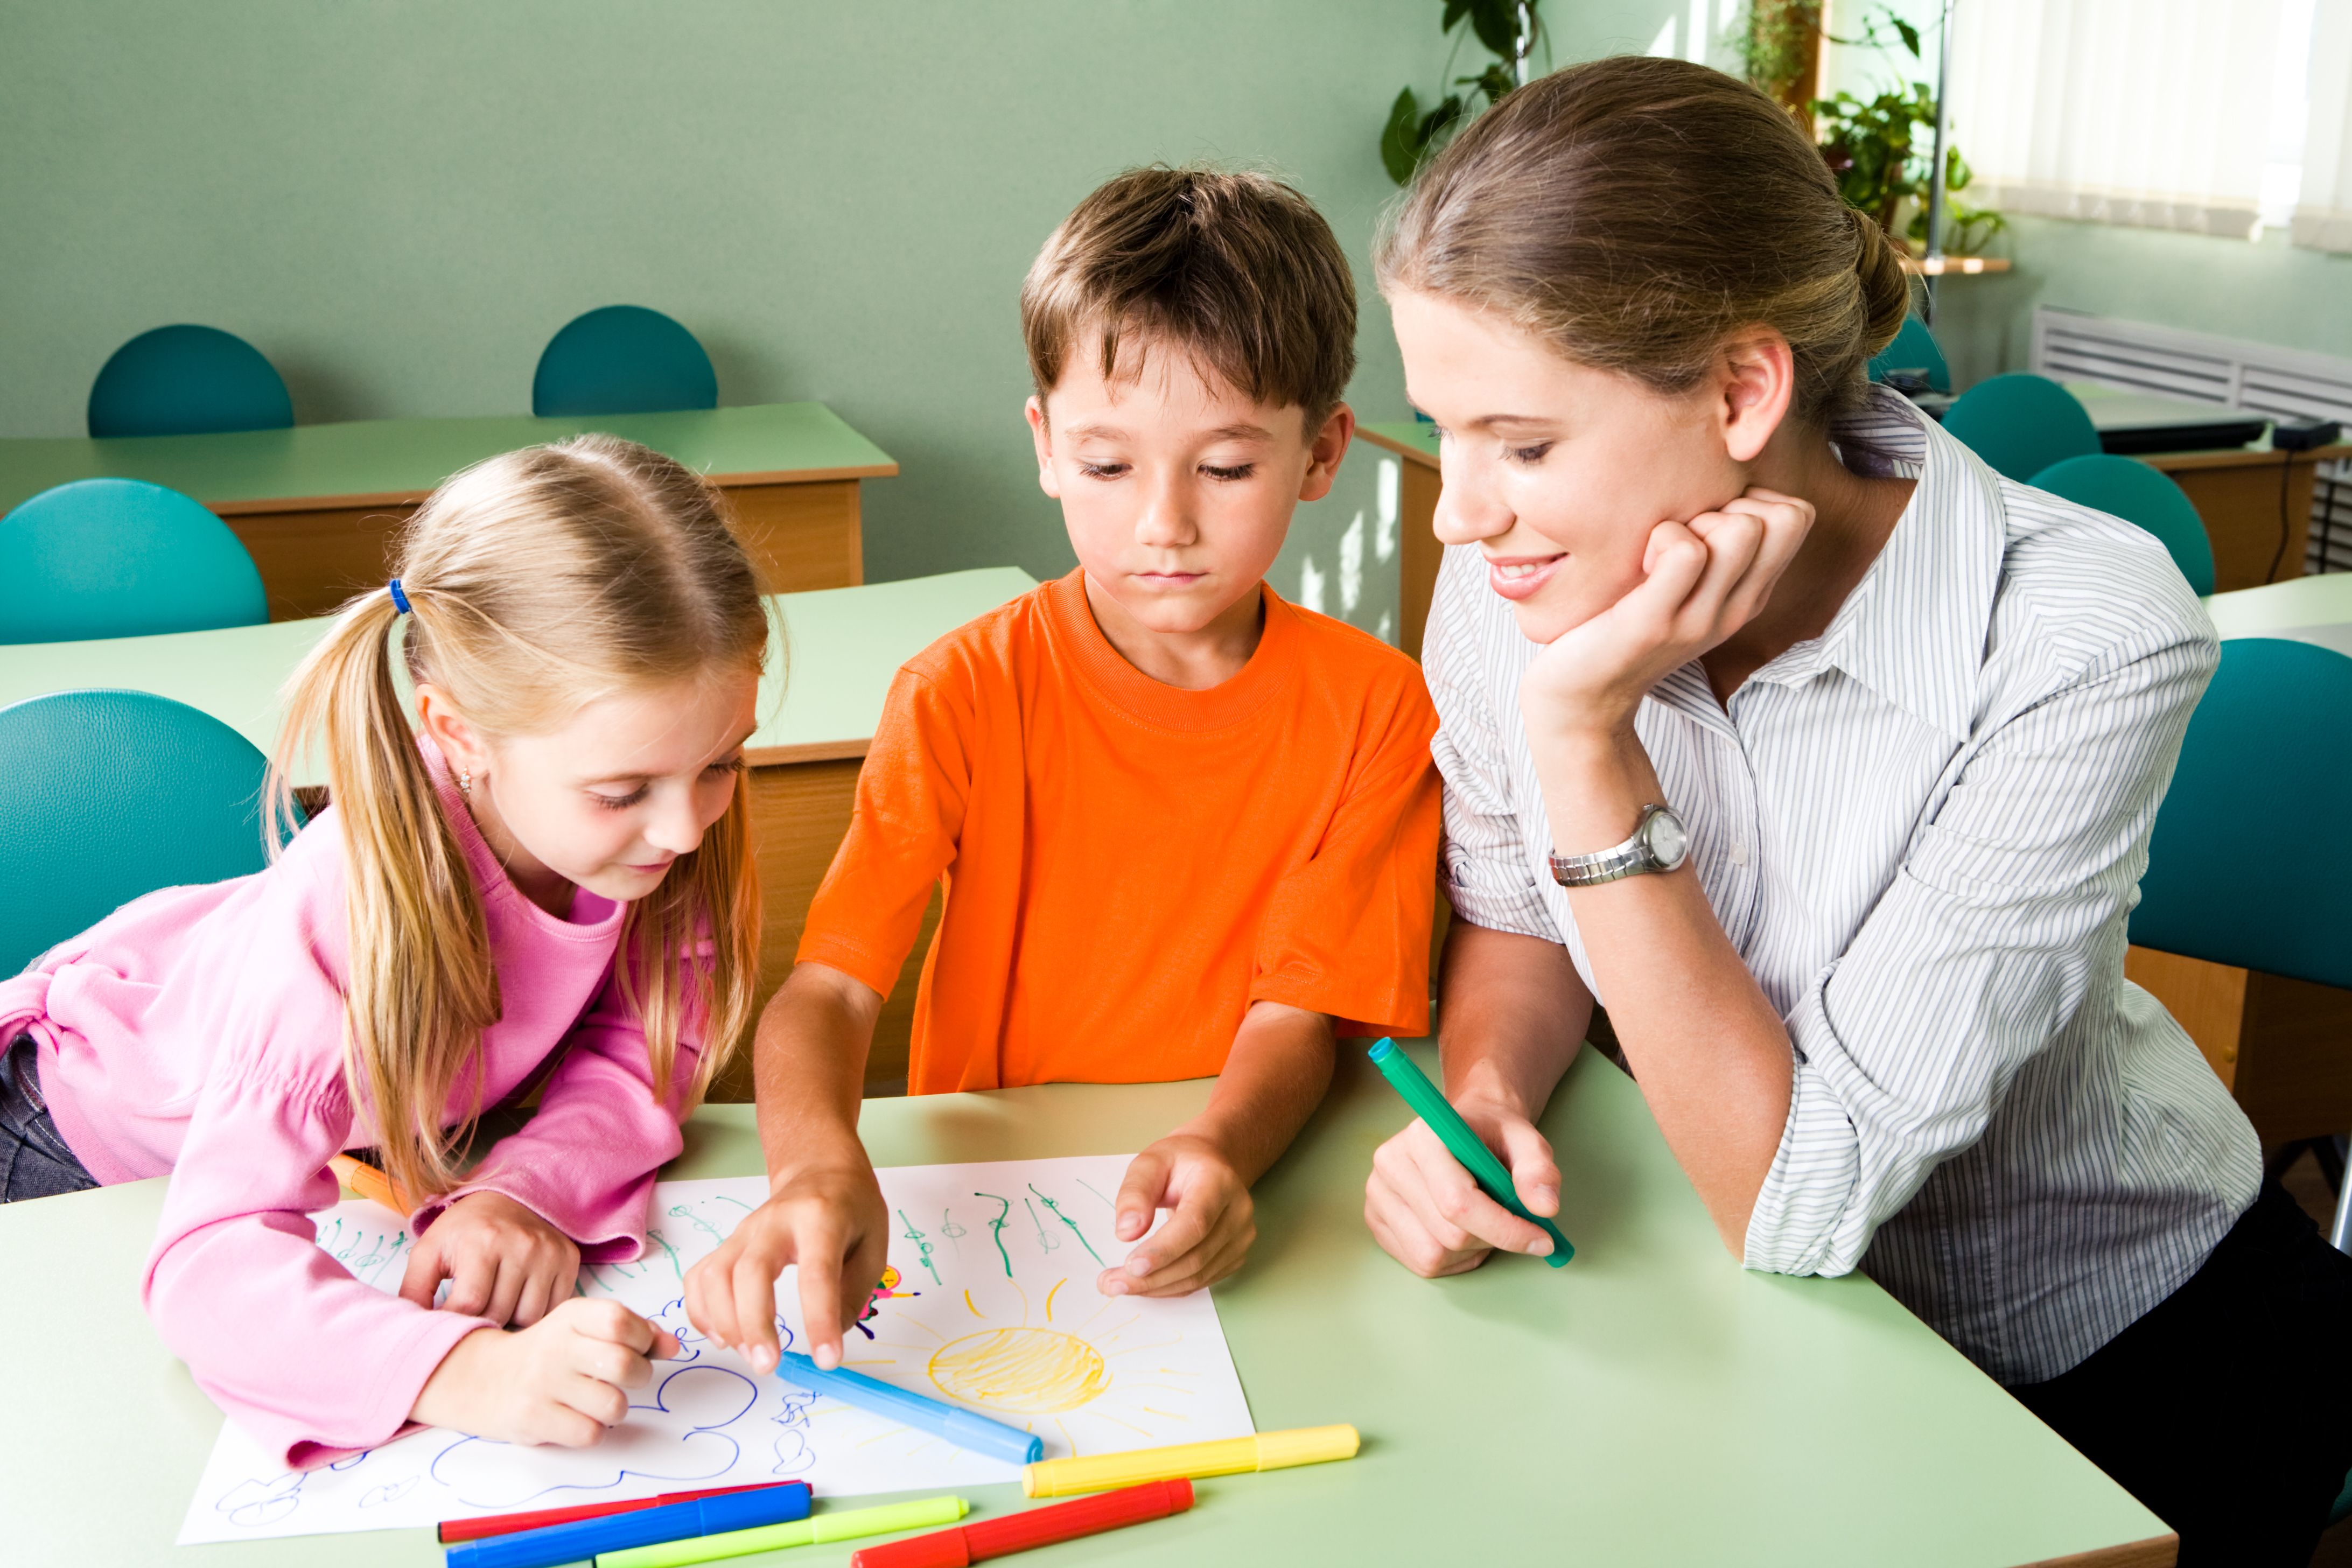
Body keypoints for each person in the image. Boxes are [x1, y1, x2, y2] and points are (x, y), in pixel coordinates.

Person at [1359, 55, 2352, 1563]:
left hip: (2100, 1362)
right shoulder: (1524, 578)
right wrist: (1490, 1097)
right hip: (1730, 1317)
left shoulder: (2083, 630)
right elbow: (1516, 917)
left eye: (1526, 442)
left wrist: (1586, 740)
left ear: (1747, 390)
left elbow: (1799, 1202)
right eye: (1449, 430)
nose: (1458, 509)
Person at [685, 166, 1442, 1374]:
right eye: (1109, 465)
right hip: (1003, 1210)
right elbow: (827, 993)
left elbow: (1301, 1013)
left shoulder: (1380, 710)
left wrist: (1221, 1148)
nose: (1165, 522)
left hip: (1242, 1193)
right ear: (1044, 446)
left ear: (1322, 452)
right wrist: (819, 1165)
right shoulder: (962, 689)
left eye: (1227, 468)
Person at [0, 436, 769, 1467]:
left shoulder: (649, 806)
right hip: (79, 1146)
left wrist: (523, 1188)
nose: (683, 829)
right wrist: (467, 1373)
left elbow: (650, 1038)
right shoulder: (354, 906)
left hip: (342, 1134)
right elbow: (208, 1267)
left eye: (722, 762)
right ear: (458, 734)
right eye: (622, 793)